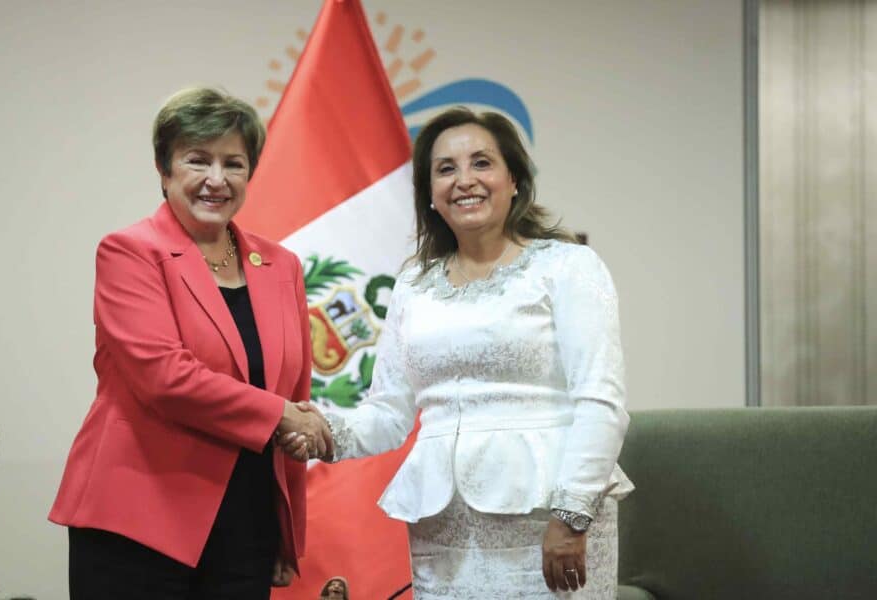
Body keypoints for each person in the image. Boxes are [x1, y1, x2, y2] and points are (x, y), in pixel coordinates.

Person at [284, 107, 634, 598]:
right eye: (446, 169)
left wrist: (572, 515)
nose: (464, 180)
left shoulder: (568, 266)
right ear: (430, 195)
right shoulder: (413, 284)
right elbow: (389, 412)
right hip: (444, 527)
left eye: (481, 163)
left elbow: (601, 401)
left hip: (550, 521)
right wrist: (324, 433)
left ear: (514, 179)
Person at [49, 87, 330, 599]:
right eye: (198, 160)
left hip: (245, 527)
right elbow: (166, 379)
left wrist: (287, 531)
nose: (216, 180)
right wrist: (284, 416)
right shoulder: (130, 252)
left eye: (234, 163)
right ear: (164, 169)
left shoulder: (281, 265)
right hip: (138, 521)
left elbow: (295, 390)